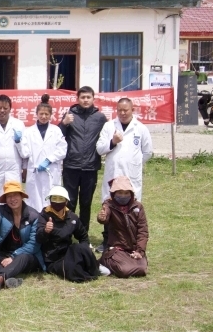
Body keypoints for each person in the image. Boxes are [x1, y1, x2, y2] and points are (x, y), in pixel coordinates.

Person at [95, 97, 153, 252]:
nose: (122, 113)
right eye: (119, 110)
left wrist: (134, 163)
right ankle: (107, 241)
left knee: (131, 208)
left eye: (125, 110)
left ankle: (131, 242)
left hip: (130, 174)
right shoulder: (109, 126)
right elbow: (99, 149)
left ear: (132, 110)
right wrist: (113, 142)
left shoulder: (140, 128)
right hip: (113, 173)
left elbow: (147, 152)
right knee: (109, 206)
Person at [58, 86, 107, 234]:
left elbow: (107, 136)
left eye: (88, 97)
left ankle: (83, 235)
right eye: (83, 97)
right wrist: (64, 123)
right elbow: (57, 135)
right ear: (78, 99)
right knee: (70, 202)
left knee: (86, 203)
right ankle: (68, 233)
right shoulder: (69, 114)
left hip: (90, 167)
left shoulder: (100, 118)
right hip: (71, 166)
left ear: (93, 98)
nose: (85, 100)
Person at [0, 181, 44, 292]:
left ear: (21, 196)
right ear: (5, 199)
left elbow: (34, 244)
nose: (12, 199)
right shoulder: (0, 210)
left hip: (26, 256)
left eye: (15, 195)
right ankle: (9, 279)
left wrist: (13, 257)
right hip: (6, 253)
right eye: (9, 196)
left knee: (23, 257)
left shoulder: (33, 215)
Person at [37, 186, 104, 283]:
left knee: (81, 247)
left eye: (61, 199)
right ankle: (87, 271)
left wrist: (85, 253)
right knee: (73, 270)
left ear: (66, 201)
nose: (57, 202)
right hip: (52, 259)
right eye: (54, 198)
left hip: (68, 253)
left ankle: (95, 267)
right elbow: (38, 238)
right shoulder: (43, 216)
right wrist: (45, 231)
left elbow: (83, 237)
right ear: (50, 200)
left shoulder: (72, 217)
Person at [20, 94, 68, 212]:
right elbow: (25, 153)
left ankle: (50, 220)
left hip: (51, 170)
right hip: (34, 171)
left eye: (47, 114)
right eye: (41, 114)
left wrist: (48, 160)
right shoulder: (29, 132)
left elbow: (62, 150)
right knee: (34, 201)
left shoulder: (56, 130)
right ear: (36, 114)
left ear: (51, 115)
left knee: (50, 199)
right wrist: (18, 142)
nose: (44, 116)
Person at [97, 176, 149, 278]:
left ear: (131, 193)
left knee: (142, 269)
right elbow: (104, 217)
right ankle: (105, 260)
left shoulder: (138, 207)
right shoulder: (109, 205)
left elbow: (143, 231)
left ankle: (129, 261)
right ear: (114, 193)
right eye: (120, 193)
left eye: (126, 193)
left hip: (133, 249)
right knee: (124, 270)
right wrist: (101, 217)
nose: (123, 195)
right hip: (117, 249)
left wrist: (139, 251)